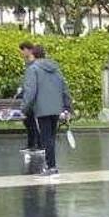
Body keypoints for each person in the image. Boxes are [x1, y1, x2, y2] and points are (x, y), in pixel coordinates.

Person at [19, 45, 72, 178]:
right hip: (56, 108)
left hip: (42, 108)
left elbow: (30, 92)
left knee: (46, 137)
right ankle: (51, 166)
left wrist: (24, 109)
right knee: (51, 138)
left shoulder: (33, 69)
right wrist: (67, 107)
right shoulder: (56, 69)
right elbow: (65, 89)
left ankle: (51, 167)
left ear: (34, 55)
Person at [16, 41, 41, 163]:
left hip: (35, 99)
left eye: (22, 49)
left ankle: (37, 146)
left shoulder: (34, 64)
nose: (21, 52)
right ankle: (32, 145)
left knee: (33, 122)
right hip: (29, 96)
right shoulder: (28, 64)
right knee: (28, 122)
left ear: (28, 50)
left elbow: (34, 82)